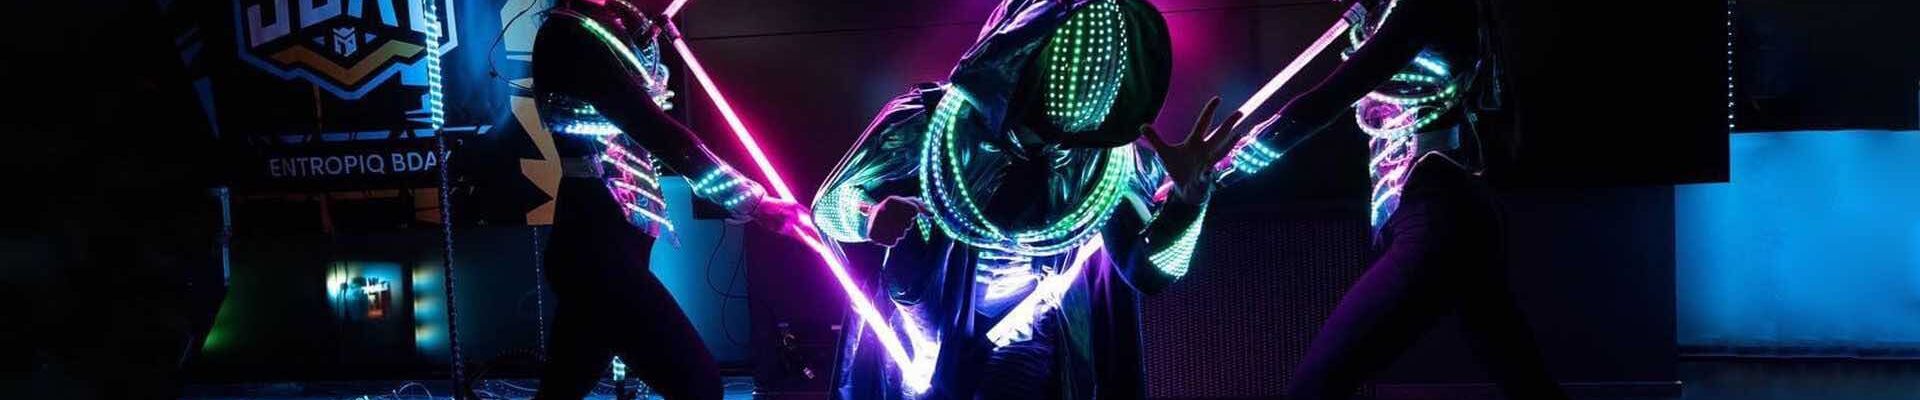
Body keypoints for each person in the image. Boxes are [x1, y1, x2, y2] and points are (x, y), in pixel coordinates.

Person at [813, 1, 1238, 398]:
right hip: (924, 317)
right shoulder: (929, 123)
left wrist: (1190, 200)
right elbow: (828, 207)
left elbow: (1149, 271)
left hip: (1027, 321)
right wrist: (868, 215)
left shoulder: (1102, 161)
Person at [1219, 0, 1567, 399]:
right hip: (1450, 212)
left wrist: (1217, 172)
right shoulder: (1396, 14)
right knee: (1527, 384)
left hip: (1440, 213)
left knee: (1316, 386)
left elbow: (1324, 102)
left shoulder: (1425, 9)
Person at [529, 1, 811, 398]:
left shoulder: (619, 23)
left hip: (612, 248)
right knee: (698, 385)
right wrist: (751, 201)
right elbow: (654, 128)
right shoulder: (568, 34)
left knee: (563, 388)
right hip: (596, 255)